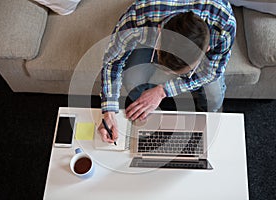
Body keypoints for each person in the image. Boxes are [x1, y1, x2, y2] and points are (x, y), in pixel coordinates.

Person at [98, 0, 236, 143]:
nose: (167, 76)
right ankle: (145, 114)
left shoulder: (224, 23)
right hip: (151, 28)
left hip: (204, 41)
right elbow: (112, 61)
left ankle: (204, 118)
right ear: (159, 31)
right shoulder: (139, 15)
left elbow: (211, 72)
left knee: (214, 96)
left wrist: (163, 90)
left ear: (206, 50)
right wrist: (109, 112)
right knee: (133, 79)